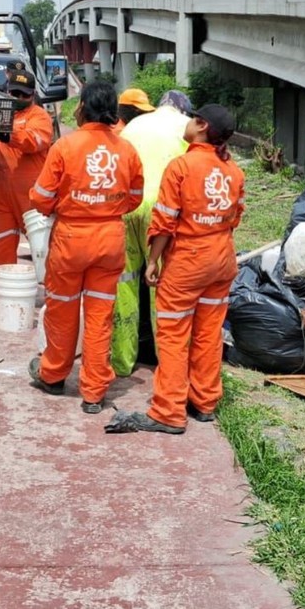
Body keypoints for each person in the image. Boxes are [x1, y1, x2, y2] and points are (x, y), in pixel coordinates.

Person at [106, 104, 245, 435]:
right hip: (221, 260)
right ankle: (205, 402)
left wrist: (153, 261)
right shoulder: (234, 171)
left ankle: (168, 410)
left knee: (172, 333)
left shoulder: (181, 166)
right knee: (209, 334)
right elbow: (235, 218)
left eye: (192, 119)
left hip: (187, 263)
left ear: (200, 126)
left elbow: (165, 222)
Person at [28, 82, 144, 414]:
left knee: (62, 311)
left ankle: (52, 375)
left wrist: (65, 205)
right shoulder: (126, 150)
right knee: (99, 316)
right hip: (109, 240)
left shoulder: (65, 146)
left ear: (82, 107)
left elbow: (40, 197)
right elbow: (134, 198)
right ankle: (93, 392)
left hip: (70, 240)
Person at [109, 89, 193, 376]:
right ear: (184, 111)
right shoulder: (185, 128)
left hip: (126, 205)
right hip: (161, 211)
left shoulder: (133, 125)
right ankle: (165, 362)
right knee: (162, 285)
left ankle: (121, 362)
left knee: (125, 282)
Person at [0, 68, 54, 313]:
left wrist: (6, 133)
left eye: (24, 94)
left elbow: (35, 141)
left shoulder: (39, 116)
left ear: (32, 95)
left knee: (43, 248)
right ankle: (3, 296)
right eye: (14, 92)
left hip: (30, 197)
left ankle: (54, 296)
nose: (18, 97)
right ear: (7, 92)